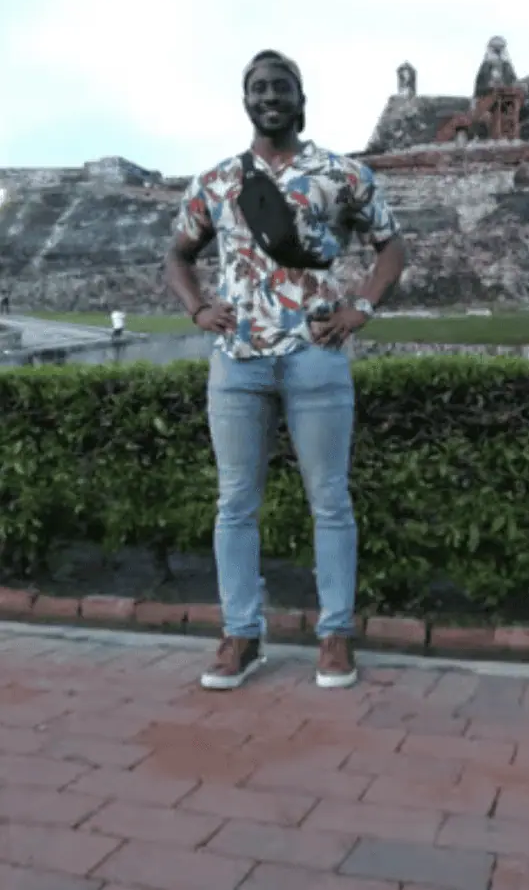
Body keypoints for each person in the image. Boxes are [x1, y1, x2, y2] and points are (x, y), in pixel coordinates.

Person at [165, 50, 406, 692]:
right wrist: (197, 309)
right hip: (237, 361)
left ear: (301, 98)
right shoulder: (217, 181)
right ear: (246, 101)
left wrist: (358, 308)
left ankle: (334, 636)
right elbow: (178, 255)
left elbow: (391, 247)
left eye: (281, 87)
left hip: (316, 354)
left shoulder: (340, 174)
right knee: (235, 504)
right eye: (259, 88)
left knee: (329, 501)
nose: (270, 96)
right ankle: (241, 636)